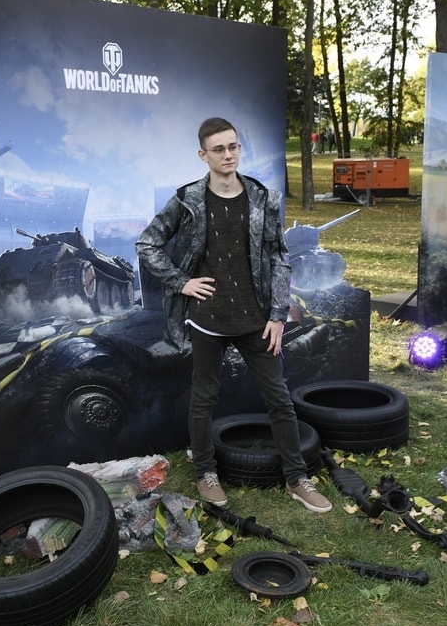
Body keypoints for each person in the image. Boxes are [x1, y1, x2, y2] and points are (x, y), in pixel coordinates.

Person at [136, 117, 332, 514]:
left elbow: (279, 258)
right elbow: (147, 244)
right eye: (219, 149)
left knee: (279, 399)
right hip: (207, 318)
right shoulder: (188, 199)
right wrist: (181, 282)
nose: (228, 155)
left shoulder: (263, 198)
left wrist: (277, 314)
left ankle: (297, 478)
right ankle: (205, 473)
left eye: (233, 147)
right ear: (203, 154)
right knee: (203, 399)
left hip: (256, 319)